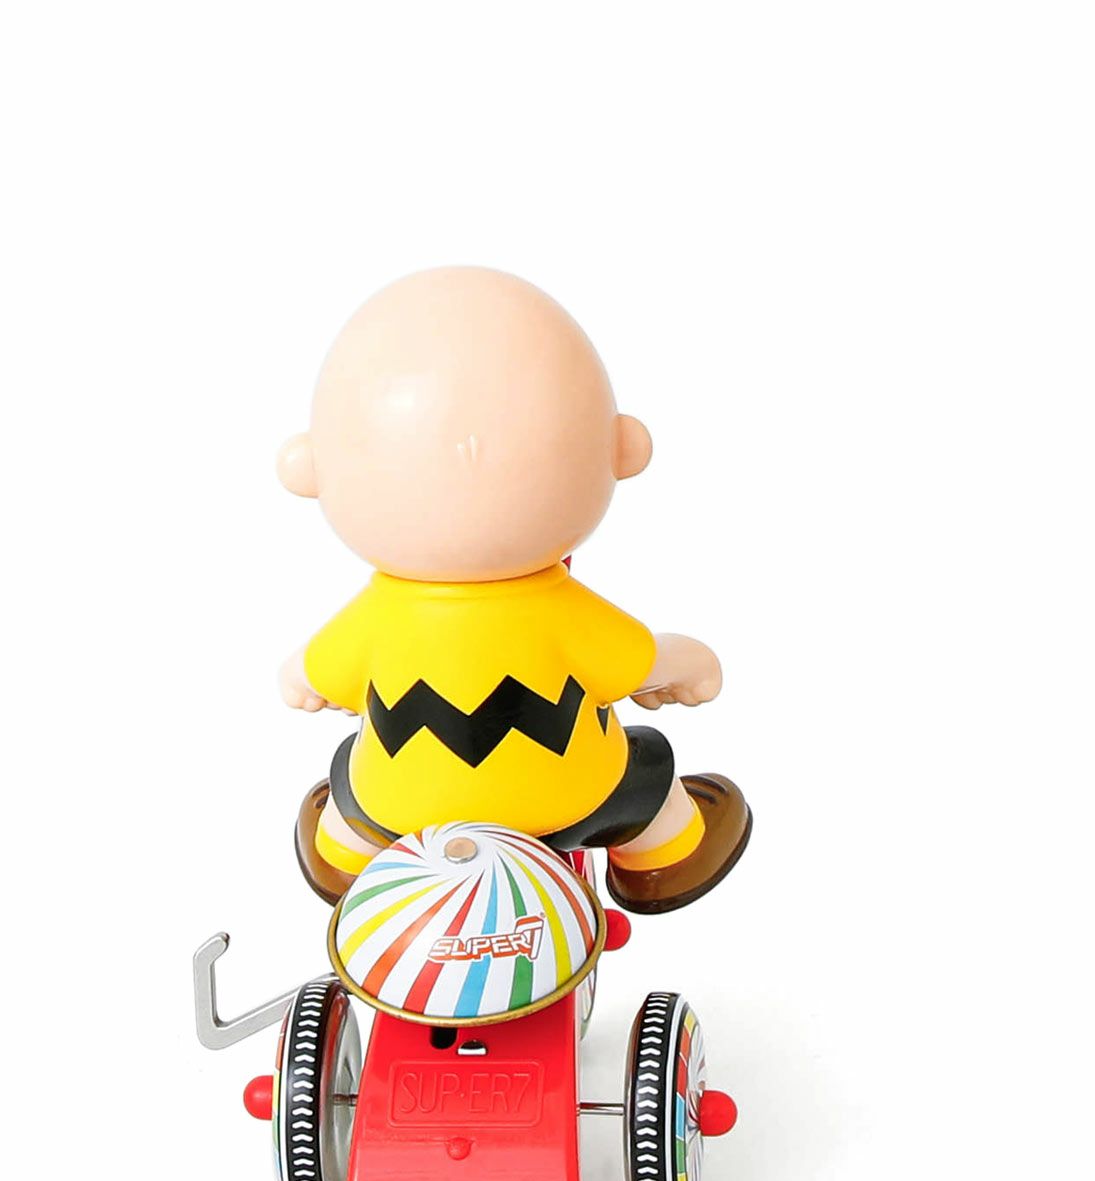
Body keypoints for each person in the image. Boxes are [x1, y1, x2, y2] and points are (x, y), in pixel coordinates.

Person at [274, 267, 750, 916]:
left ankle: (342, 858)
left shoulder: (375, 619)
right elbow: (645, 664)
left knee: (354, 780)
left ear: (308, 467)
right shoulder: (562, 611)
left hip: (405, 815)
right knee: (646, 771)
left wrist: (301, 681)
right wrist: (695, 663)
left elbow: (309, 678)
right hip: (567, 803)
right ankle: (668, 856)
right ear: (621, 448)